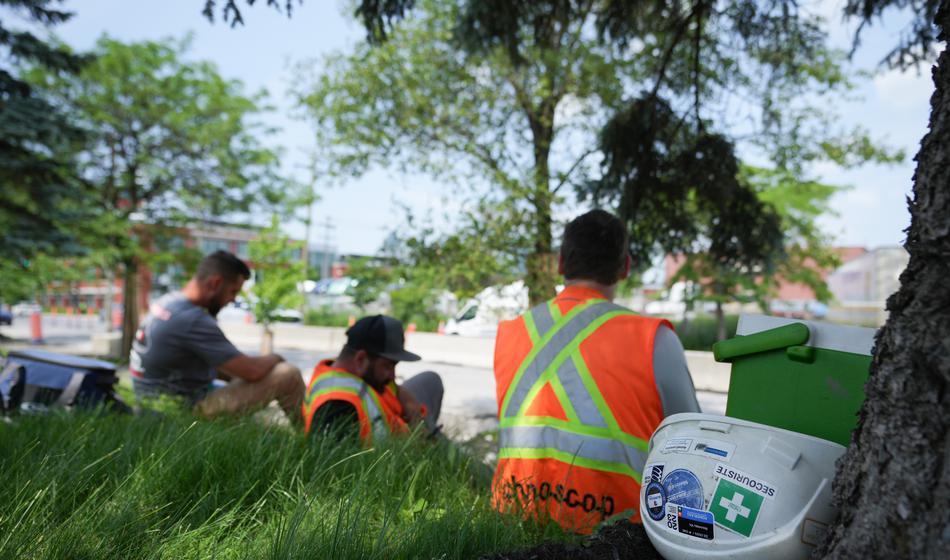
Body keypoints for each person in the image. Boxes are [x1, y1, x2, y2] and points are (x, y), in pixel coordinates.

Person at [491, 209, 700, 533]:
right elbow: (691, 444)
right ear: (625, 267)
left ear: (561, 264)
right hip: (615, 535)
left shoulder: (511, 332)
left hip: (512, 522)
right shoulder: (654, 339)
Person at [130, 250, 304, 421]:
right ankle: (312, 438)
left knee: (238, 379)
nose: (232, 300)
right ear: (215, 283)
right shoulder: (193, 320)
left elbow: (228, 365)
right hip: (179, 410)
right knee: (288, 374)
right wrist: (276, 357)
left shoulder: (169, 301)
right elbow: (253, 371)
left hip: (151, 400)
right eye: (233, 291)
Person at [302, 314, 443, 442]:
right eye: (388, 366)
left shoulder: (359, 374)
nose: (392, 375)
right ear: (361, 359)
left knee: (431, 379)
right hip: (408, 445)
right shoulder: (339, 406)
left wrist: (407, 401)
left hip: (406, 418)